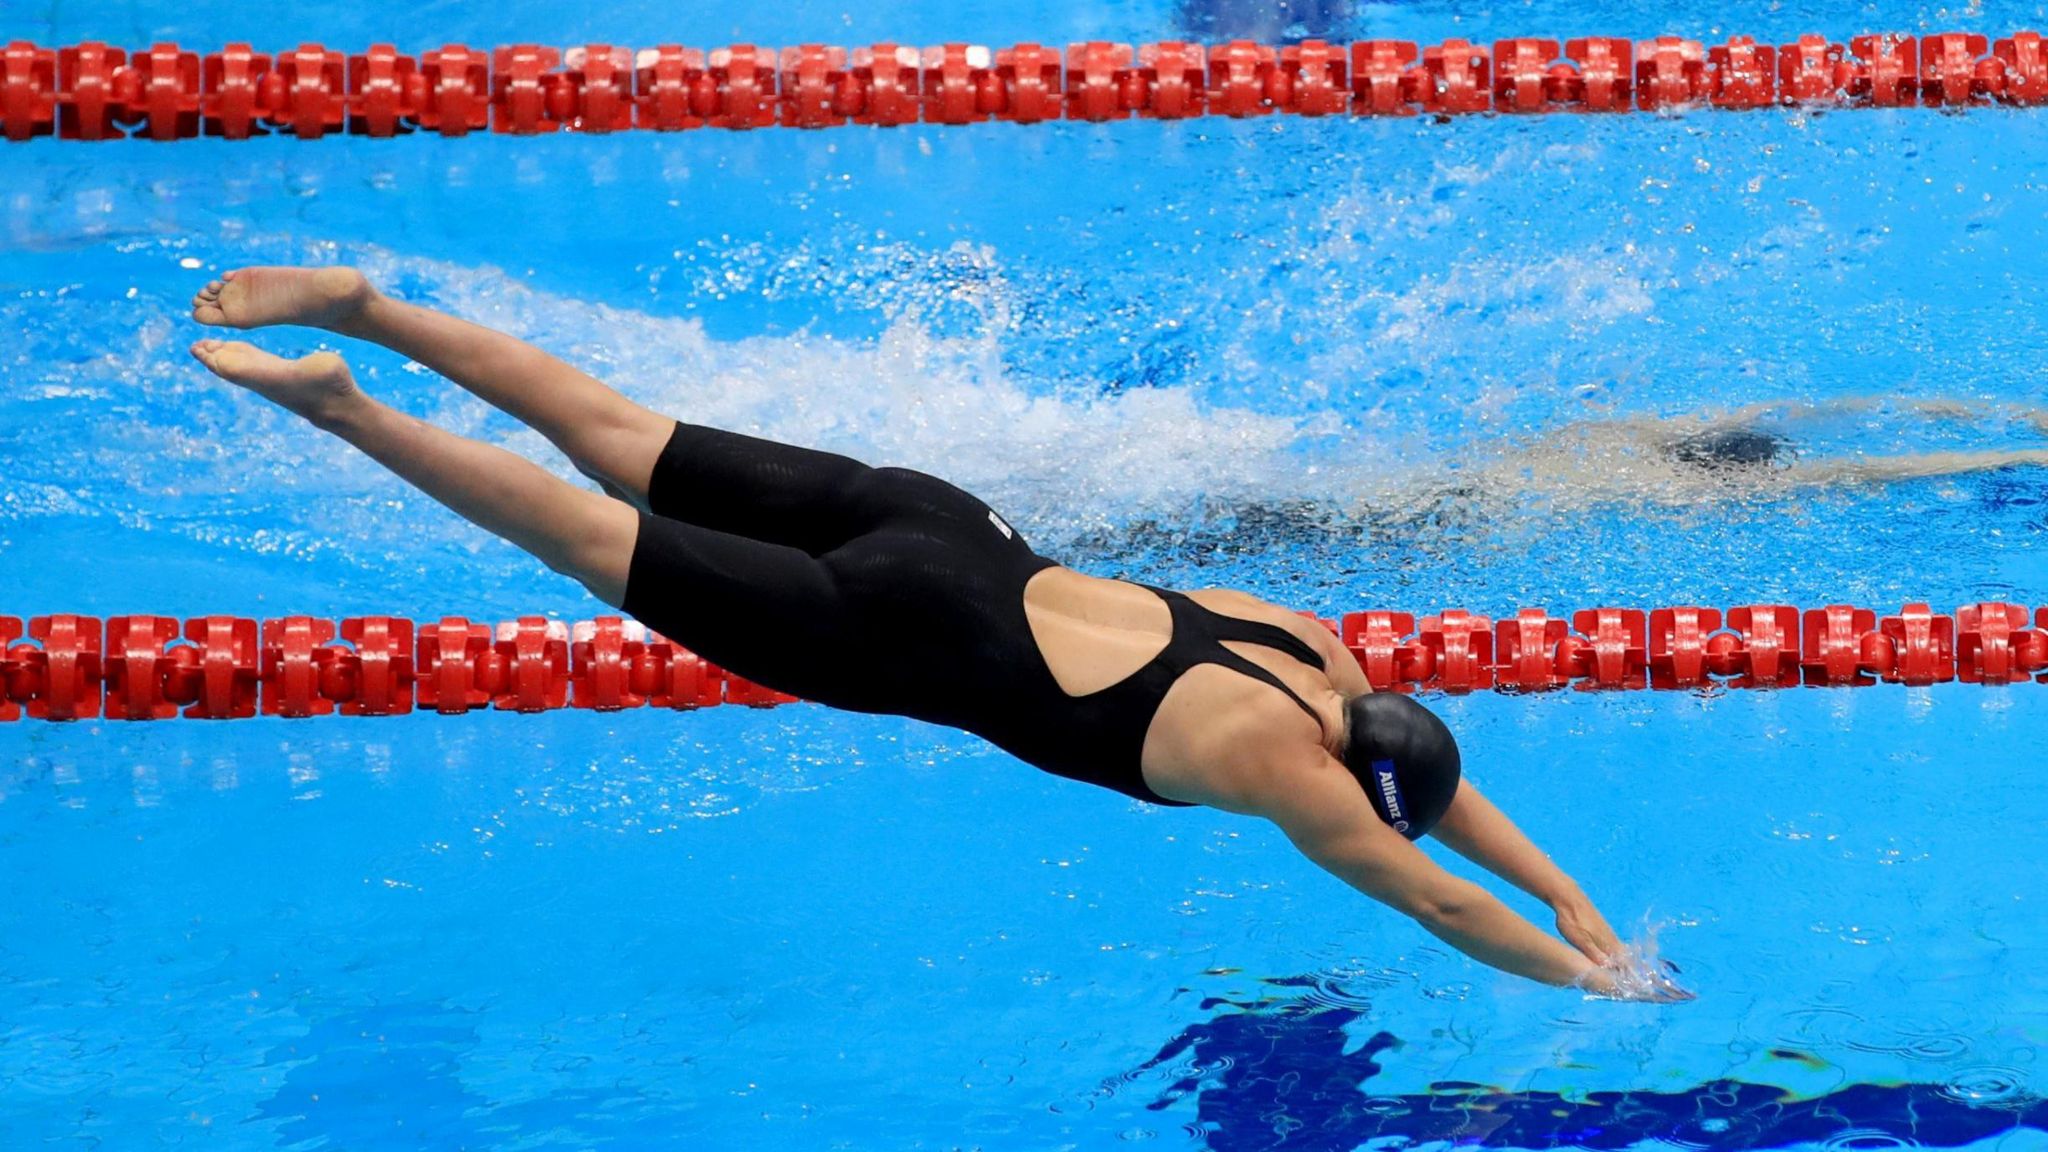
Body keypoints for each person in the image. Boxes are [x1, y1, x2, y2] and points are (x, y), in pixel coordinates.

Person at [188, 265, 1689, 1003]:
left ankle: (371, 310)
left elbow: (1445, 797)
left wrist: (1577, 894)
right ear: (1358, 790)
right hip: (889, 626)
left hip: (948, 526)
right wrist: (1592, 978)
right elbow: (1434, 896)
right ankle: (349, 406)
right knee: (586, 541)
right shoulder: (1291, 782)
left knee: (612, 426)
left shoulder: (1315, 653)